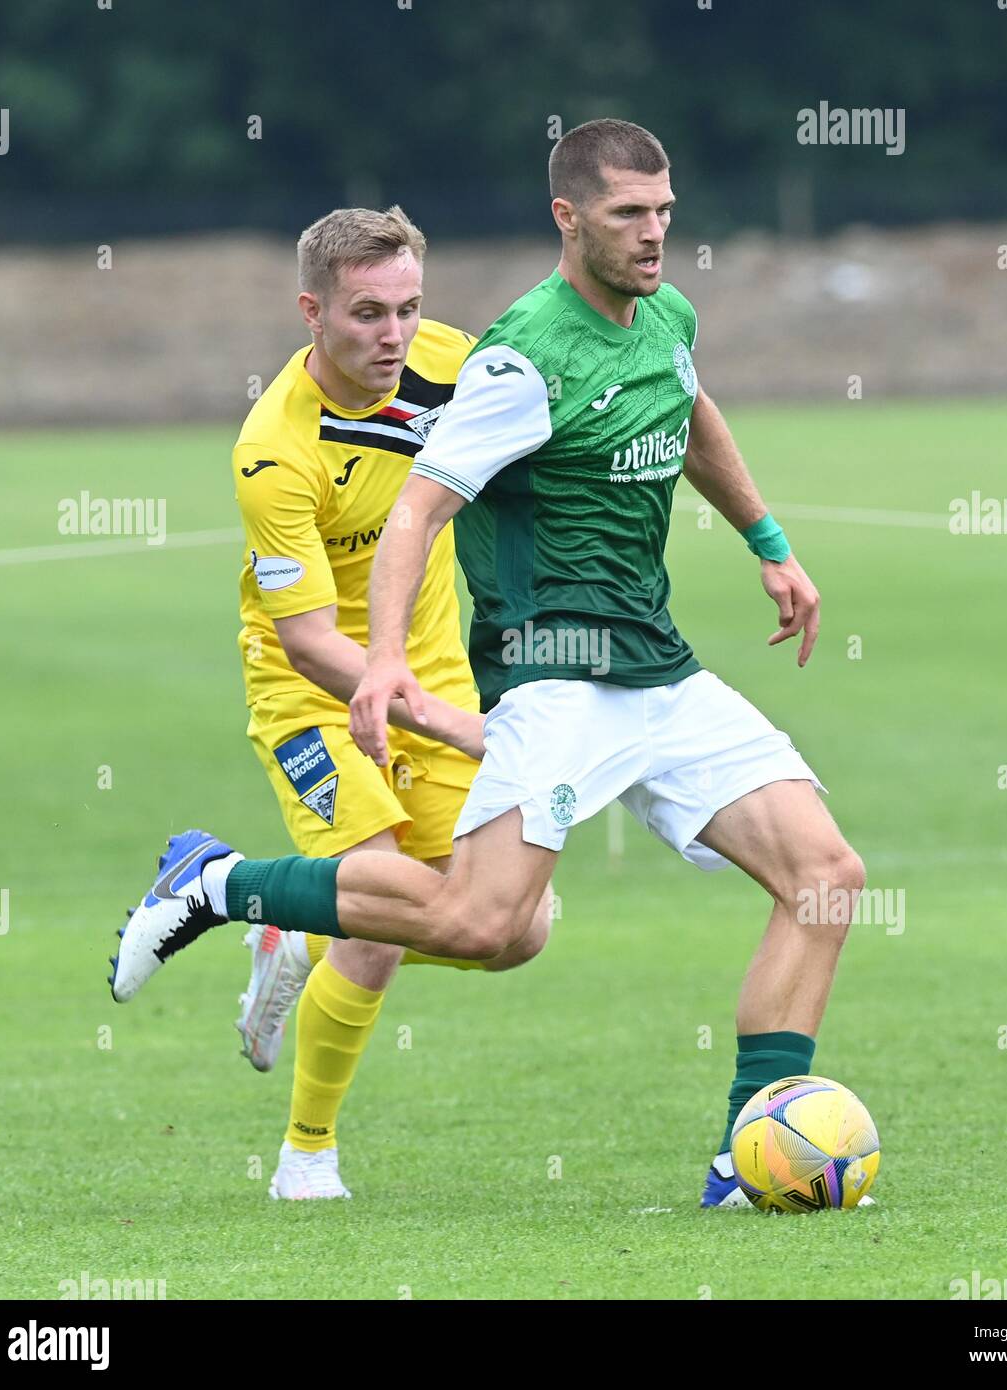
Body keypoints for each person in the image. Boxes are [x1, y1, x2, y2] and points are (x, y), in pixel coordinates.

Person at [113, 120, 863, 1209]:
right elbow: (417, 514)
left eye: (663, 212)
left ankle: (749, 1166)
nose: (654, 235)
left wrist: (768, 542)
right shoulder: (500, 366)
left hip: (653, 667)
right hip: (535, 676)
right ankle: (223, 888)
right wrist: (382, 671)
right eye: (627, 216)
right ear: (567, 218)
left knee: (821, 878)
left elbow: (686, 407)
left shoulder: (639, 321)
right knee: (475, 921)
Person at [111, 205, 550, 1201]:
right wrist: (434, 715)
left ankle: (282, 916)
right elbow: (308, 639)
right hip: (311, 691)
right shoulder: (274, 448)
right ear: (310, 310)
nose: (391, 335)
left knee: (513, 929)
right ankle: (305, 1154)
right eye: (364, 314)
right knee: (387, 895)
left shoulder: (453, 365)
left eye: (406, 308)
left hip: (431, 670)